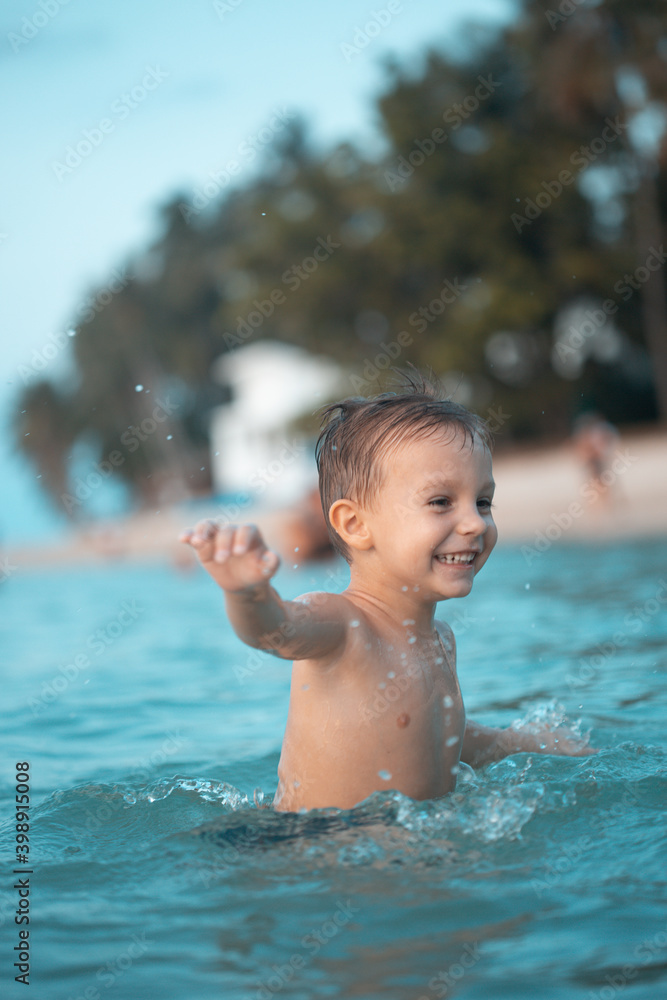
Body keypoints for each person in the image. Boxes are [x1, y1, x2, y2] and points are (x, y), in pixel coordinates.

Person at [179, 370, 594, 813]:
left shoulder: (441, 641)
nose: (474, 523)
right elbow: (274, 631)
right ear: (355, 525)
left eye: (483, 502)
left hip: (398, 854)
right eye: (440, 502)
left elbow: (440, 733)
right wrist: (248, 594)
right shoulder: (341, 624)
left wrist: (519, 742)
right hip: (315, 852)